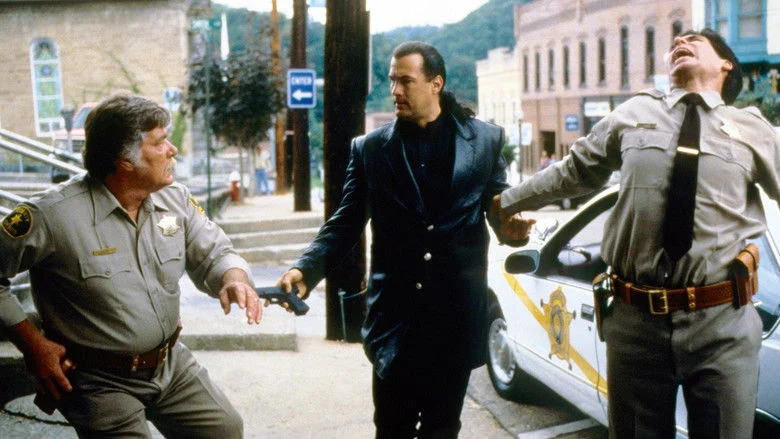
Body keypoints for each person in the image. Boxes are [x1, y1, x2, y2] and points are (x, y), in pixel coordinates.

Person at [496, 28, 779, 438]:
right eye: (676, 42)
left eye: (695, 40)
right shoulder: (635, 112)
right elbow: (573, 172)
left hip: (722, 322)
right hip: (635, 322)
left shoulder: (752, 128)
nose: (680, 42)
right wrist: (507, 202)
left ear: (726, 64)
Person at [277, 41, 532, 438]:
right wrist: (305, 269)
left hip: (454, 319)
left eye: (405, 81)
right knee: (392, 429)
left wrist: (511, 231)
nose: (395, 90)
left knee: (442, 429)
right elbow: (346, 222)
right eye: (393, 80)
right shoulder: (371, 149)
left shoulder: (484, 141)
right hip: (395, 323)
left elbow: (498, 208)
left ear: (435, 83)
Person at [0, 92, 262, 438]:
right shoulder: (52, 215)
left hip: (168, 363)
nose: (172, 150)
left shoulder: (175, 199)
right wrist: (33, 346)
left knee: (224, 430)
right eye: (160, 142)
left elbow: (216, 251)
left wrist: (233, 278)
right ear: (125, 160)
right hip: (96, 379)